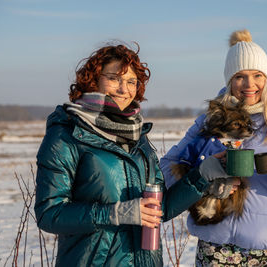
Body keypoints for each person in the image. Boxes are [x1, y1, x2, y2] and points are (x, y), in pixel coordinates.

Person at [34, 43, 226, 266]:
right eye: (114, 78)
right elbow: (50, 213)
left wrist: (202, 176)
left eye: (131, 81)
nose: (123, 89)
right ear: (94, 80)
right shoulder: (67, 134)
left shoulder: (137, 137)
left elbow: (159, 210)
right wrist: (116, 213)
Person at [160, 29, 267, 266]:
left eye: (257, 75)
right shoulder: (209, 120)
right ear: (229, 80)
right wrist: (205, 180)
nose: (249, 84)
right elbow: (167, 167)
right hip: (216, 249)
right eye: (239, 76)